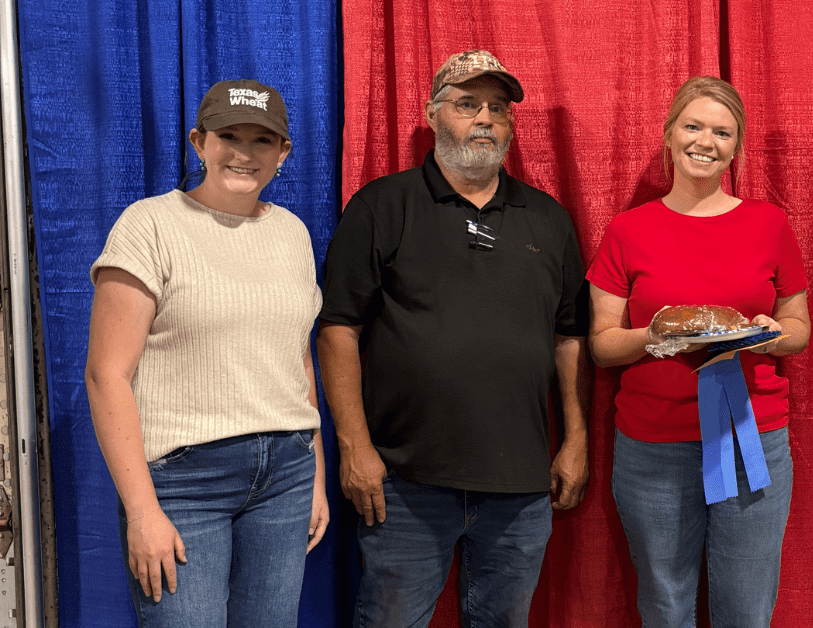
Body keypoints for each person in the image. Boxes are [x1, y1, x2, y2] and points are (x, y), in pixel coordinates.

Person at [317, 49, 590, 628]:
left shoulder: (549, 220)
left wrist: (575, 437)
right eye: (467, 105)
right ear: (433, 114)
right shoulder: (381, 206)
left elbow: (569, 338)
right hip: (405, 485)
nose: (485, 118)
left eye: (498, 107)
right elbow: (338, 328)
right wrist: (354, 446)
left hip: (520, 486)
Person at [85, 79, 328, 627]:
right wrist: (143, 512)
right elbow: (106, 375)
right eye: (228, 136)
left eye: (262, 140)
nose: (244, 154)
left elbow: (298, 361)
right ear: (199, 142)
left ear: (283, 151)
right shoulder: (148, 225)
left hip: (285, 476)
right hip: (184, 484)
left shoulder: (292, 233)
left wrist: (314, 476)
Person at [588, 76, 811, 627]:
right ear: (668, 136)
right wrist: (657, 335)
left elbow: (800, 326)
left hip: (750, 436)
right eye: (693, 126)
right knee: (665, 606)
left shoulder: (769, 223)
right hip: (653, 446)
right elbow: (601, 345)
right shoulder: (627, 230)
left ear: (736, 148)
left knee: (746, 609)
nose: (705, 141)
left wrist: (770, 332)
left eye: (722, 132)